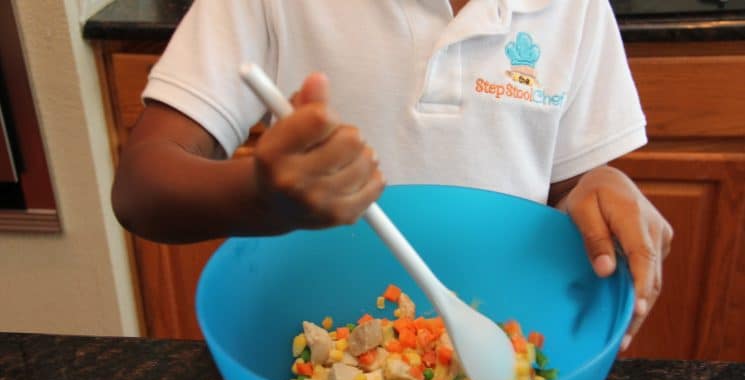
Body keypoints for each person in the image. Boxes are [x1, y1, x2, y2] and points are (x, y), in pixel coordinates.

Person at [111, 0, 673, 351]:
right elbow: (142, 186)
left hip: (503, 354)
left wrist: (600, 184)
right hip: (313, 353)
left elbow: (568, 186)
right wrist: (262, 196)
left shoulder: (574, 9)